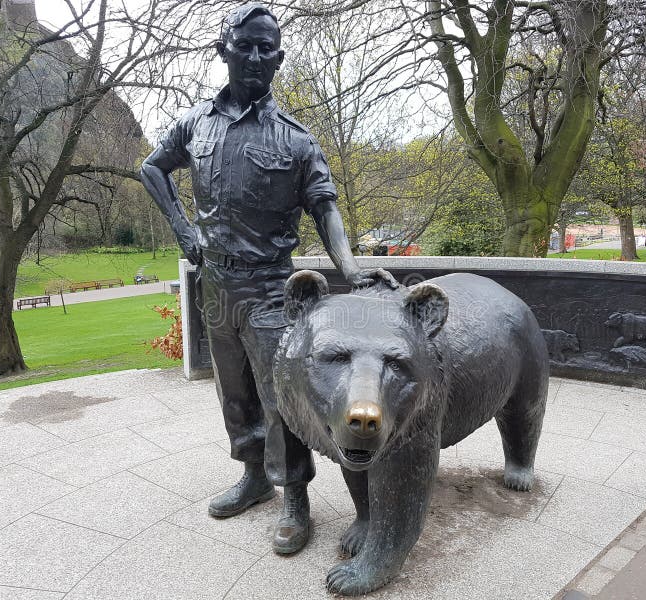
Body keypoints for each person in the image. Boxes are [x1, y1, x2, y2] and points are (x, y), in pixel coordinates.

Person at [139, 2, 396, 555]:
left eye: (267, 48)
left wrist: (350, 268)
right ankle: (253, 476)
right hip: (216, 287)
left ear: (278, 58)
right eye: (246, 45)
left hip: (270, 290)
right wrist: (183, 230)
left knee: (281, 399)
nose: (256, 56)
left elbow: (326, 207)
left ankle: (295, 500)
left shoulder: (296, 140)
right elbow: (152, 167)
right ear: (224, 50)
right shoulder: (195, 124)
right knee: (233, 392)